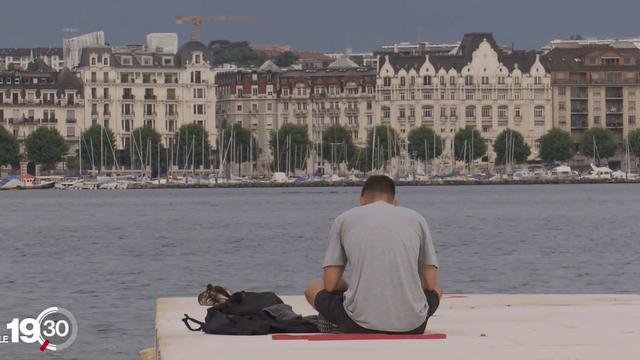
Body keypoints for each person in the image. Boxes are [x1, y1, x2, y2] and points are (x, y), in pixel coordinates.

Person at [304, 175, 442, 334]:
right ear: (394, 203)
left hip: (358, 324)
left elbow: (330, 284)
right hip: (413, 326)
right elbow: (430, 284)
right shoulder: (417, 219)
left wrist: (352, 287)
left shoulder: (343, 219)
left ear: (361, 200)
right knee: (438, 287)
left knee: (313, 287)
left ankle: (336, 321)